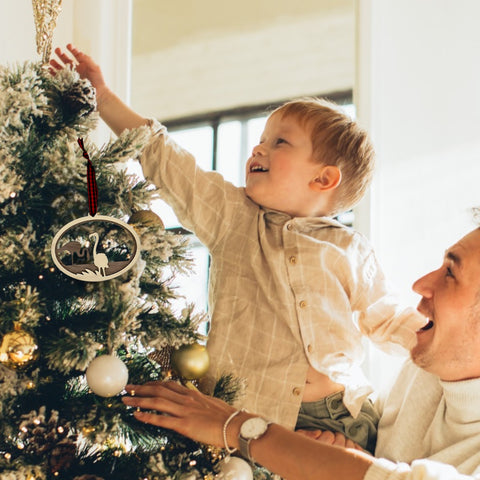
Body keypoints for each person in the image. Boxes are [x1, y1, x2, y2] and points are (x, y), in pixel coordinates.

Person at [50, 45, 426, 453]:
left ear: (323, 179)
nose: (257, 149)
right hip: (245, 412)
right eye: (261, 139)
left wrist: (444, 342)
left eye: (279, 142)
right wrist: (103, 96)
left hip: (338, 416)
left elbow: (387, 319)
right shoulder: (234, 218)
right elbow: (168, 160)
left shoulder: (349, 248)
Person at [122, 225, 480, 479]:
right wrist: (350, 454)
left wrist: (235, 426)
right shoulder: (427, 368)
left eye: (450, 273)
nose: (421, 285)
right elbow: (381, 463)